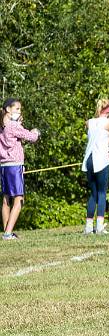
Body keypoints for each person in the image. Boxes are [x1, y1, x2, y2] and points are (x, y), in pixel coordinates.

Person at [0, 98, 40, 240]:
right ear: (8, 110)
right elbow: (31, 137)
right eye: (17, 109)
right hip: (14, 165)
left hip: (3, 166)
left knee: (6, 199)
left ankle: (7, 230)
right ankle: (8, 233)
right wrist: (36, 132)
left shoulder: (3, 126)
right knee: (19, 199)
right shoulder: (13, 126)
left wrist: (18, 123)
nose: (19, 111)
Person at [82, 99, 109, 235]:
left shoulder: (89, 122)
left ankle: (89, 226)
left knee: (93, 193)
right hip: (101, 160)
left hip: (89, 159)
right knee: (102, 193)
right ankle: (100, 226)